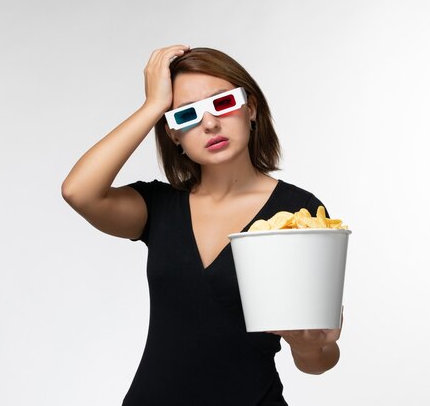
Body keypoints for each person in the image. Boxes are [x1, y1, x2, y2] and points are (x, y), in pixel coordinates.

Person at [61, 45, 343, 406]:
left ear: (250, 108)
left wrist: (311, 345)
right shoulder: (158, 208)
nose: (209, 123)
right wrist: (152, 106)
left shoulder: (298, 213)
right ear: (173, 134)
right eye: (186, 115)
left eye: (223, 103)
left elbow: (319, 359)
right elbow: (78, 191)